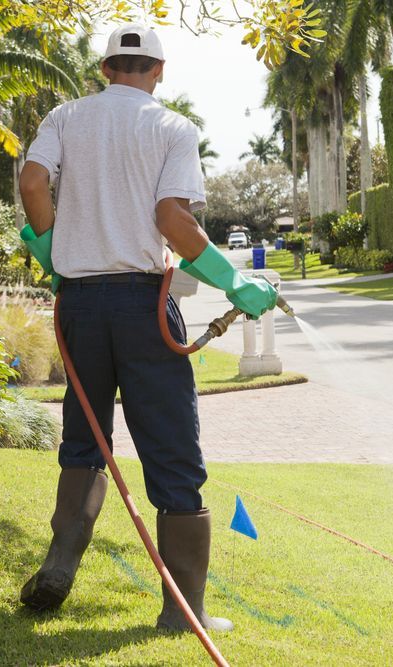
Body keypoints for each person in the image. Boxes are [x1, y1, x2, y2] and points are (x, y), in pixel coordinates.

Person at [16, 23, 277, 632]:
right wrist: (233, 281)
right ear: (159, 72)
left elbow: (32, 182)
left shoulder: (66, 116)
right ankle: (183, 612)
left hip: (79, 306)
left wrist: (52, 251)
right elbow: (171, 218)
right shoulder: (171, 127)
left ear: (105, 68)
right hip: (142, 303)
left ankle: (59, 562)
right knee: (171, 450)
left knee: (86, 440)